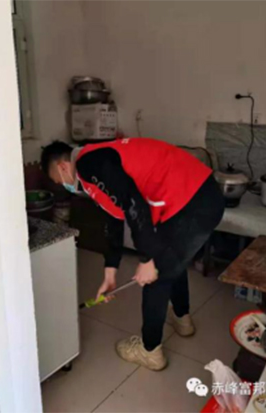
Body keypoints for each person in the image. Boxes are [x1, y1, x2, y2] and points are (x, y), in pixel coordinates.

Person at [41, 138, 225, 370]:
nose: (64, 186)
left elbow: (132, 203)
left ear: (62, 167)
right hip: (200, 197)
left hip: (191, 201)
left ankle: (150, 350)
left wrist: (147, 258)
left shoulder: (89, 163)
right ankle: (182, 318)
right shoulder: (94, 164)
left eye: (59, 181)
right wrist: (110, 272)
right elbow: (114, 218)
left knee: (156, 274)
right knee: (170, 261)